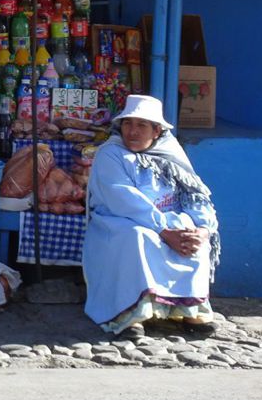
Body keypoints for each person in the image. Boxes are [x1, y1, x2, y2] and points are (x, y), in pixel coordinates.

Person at [83, 94, 219, 339]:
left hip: (168, 223)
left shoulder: (172, 155)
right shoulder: (110, 154)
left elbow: (195, 194)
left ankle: (190, 310)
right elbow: (122, 198)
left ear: (157, 131)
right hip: (120, 221)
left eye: (141, 125)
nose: (132, 131)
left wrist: (202, 229)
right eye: (128, 124)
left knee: (190, 231)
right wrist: (164, 231)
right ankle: (132, 315)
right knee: (137, 237)